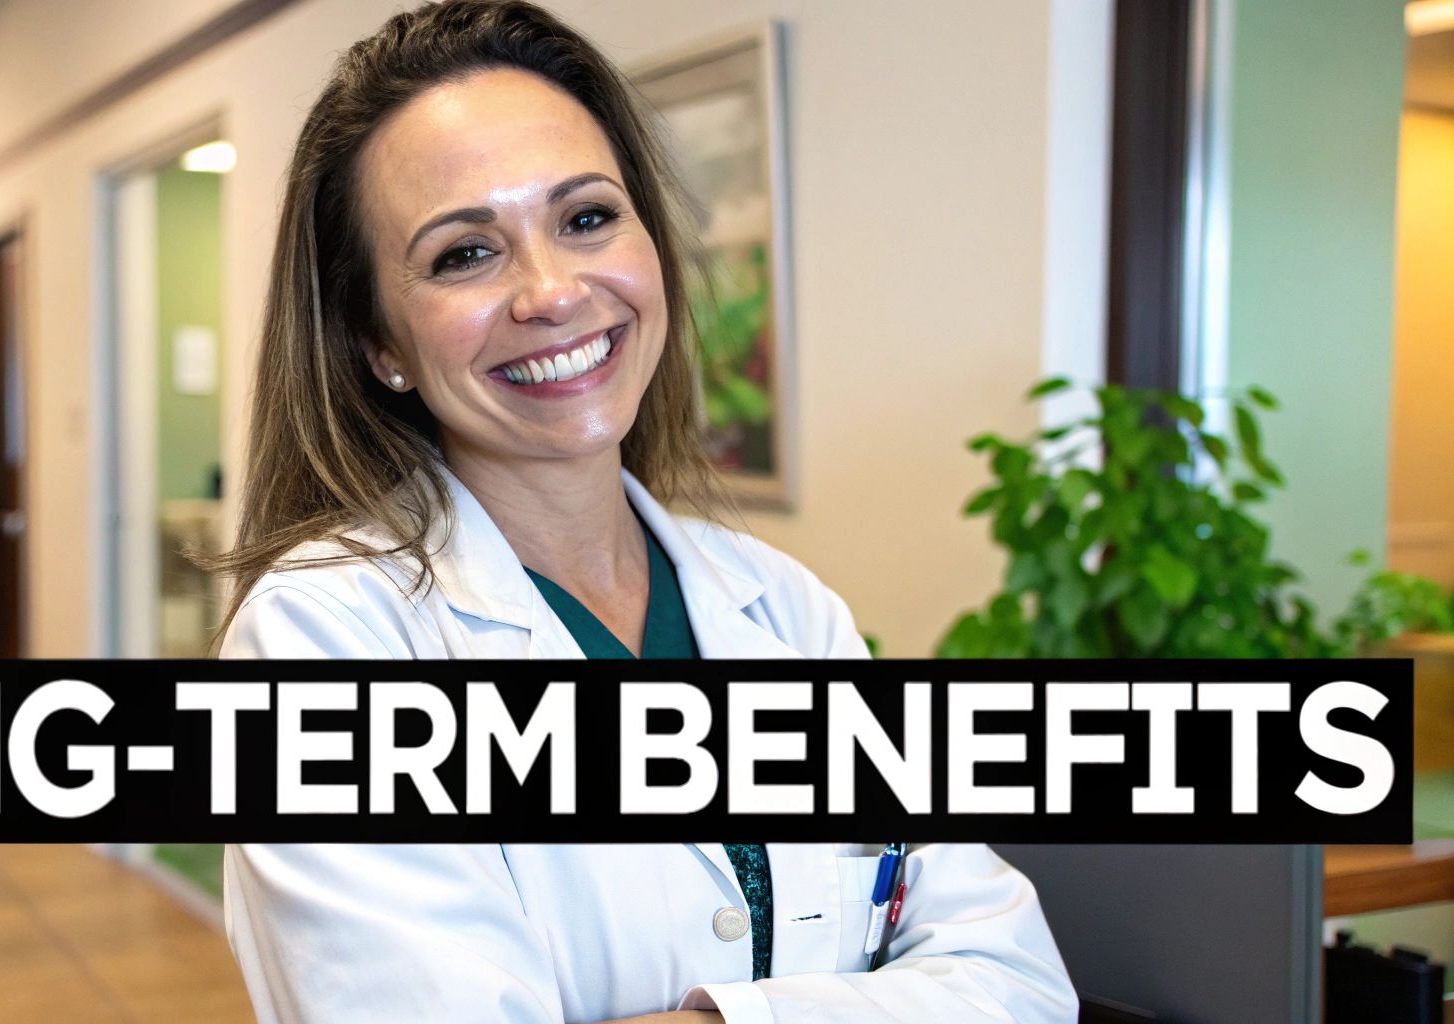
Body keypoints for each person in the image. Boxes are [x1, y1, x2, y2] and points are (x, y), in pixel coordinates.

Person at [216, 2, 1078, 1021]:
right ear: (378, 343)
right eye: (465, 254)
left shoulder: (787, 613)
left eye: (586, 218)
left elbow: (1019, 985)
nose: (550, 292)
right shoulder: (327, 640)